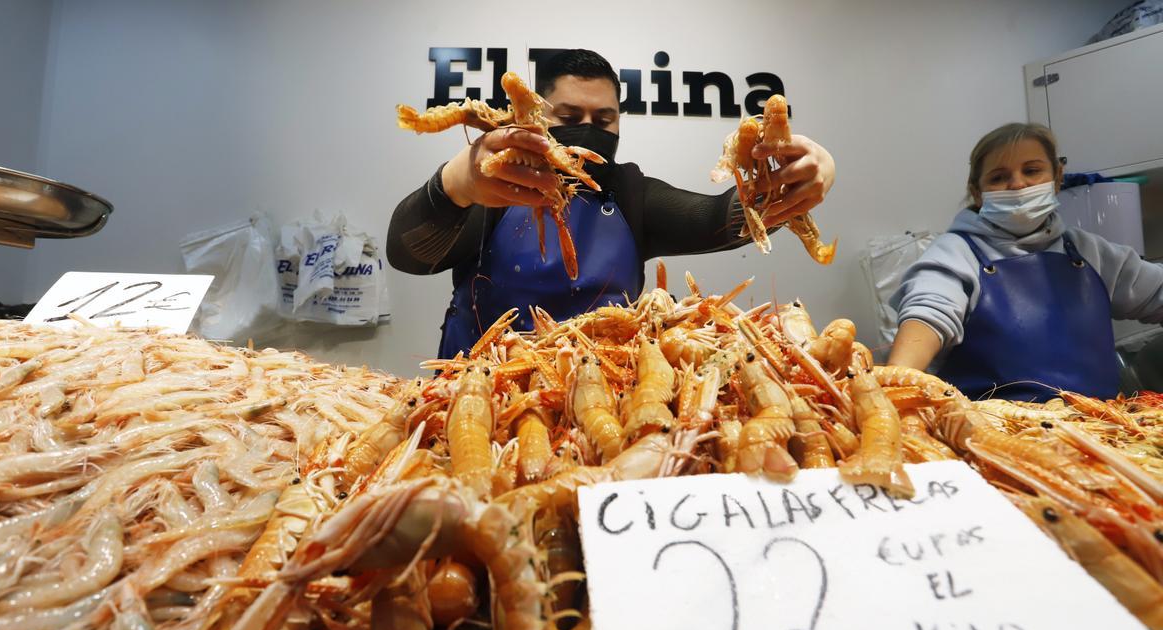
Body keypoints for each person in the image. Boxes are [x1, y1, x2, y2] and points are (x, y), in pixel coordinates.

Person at [387, 49, 836, 359]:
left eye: (604, 120)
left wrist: (796, 178)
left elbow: (720, 219)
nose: (588, 128)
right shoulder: (495, 185)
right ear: (538, 116)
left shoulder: (631, 192)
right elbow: (409, 254)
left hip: (602, 402)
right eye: (568, 118)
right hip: (474, 395)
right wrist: (455, 185)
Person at [887, 122, 1163, 401]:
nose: (1018, 184)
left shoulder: (1090, 251)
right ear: (978, 192)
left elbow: (1156, 292)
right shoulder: (956, 253)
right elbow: (929, 312)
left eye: (1032, 171)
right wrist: (894, 383)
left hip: (1104, 428)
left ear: (1057, 178)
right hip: (997, 435)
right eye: (998, 177)